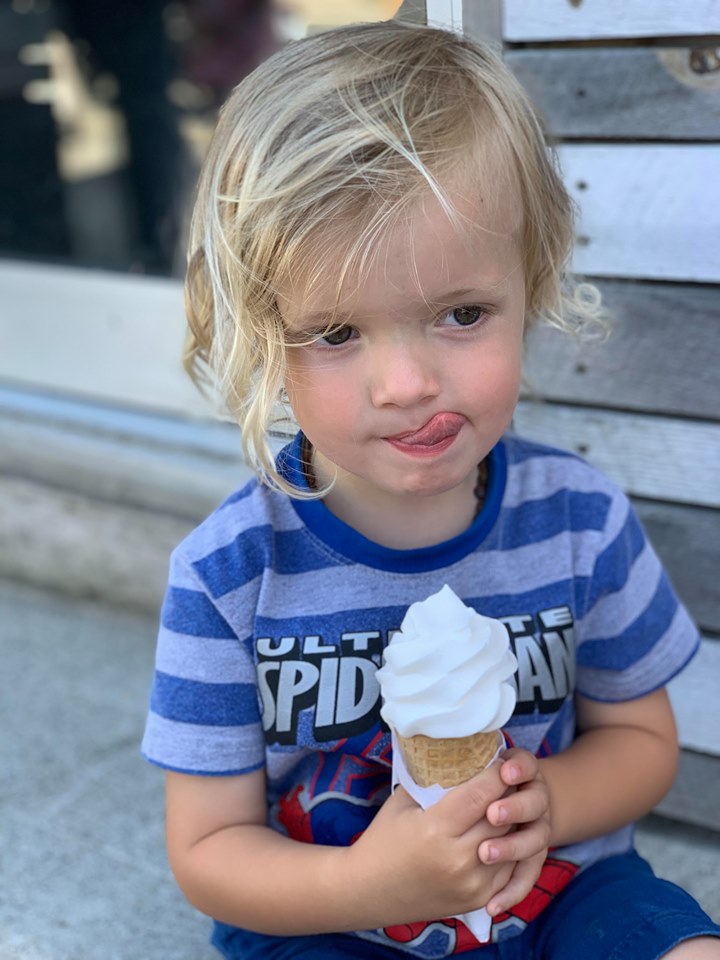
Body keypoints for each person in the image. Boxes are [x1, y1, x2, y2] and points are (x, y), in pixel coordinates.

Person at [141, 20, 720, 960]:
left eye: (461, 313)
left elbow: (642, 742)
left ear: (530, 287)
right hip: (331, 919)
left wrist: (550, 803)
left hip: (561, 892)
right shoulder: (230, 574)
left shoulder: (579, 521)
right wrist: (370, 884)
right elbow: (208, 849)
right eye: (337, 333)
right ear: (264, 335)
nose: (407, 384)